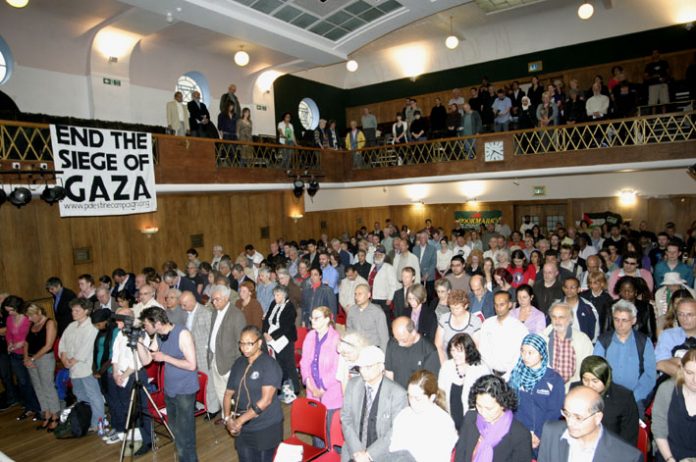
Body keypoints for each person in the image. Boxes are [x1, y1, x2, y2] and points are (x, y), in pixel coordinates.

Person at [137, 306, 198, 462]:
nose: (145, 327)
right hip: (170, 390)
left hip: (185, 390)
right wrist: (138, 342)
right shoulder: (158, 336)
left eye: (146, 324)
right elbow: (146, 360)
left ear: (157, 323)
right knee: (176, 431)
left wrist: (165, 357)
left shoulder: (182, 334)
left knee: (185, 434)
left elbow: (192, 365)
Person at [223, 325, 283, 462]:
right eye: (242, 343)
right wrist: (228, 419)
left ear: (260, 343)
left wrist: (239, 421)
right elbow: (228, 394)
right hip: (243, 428)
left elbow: (266, 400)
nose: (245, 347)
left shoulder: (269, 365)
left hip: (266, 427)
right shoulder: (238, 363)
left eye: (249, 343)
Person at [537, 386, 642, 462]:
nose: (570, 422)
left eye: (578, 417)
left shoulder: (626, 457)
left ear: (597, 418)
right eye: (567, 414)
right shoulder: (551, 432)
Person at [340, 345, 408, 462]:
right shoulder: (352, 385)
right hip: (354, 452)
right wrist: (358, 452)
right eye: (361, 367)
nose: (363, 371)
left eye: (368, 367)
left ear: (381, 367)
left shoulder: (398, 394)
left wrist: (369, 454)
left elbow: (395, 431)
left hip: (382, 455)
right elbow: (346, 418)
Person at [593, 299, 656, 413]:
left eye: (624, 320)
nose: (619, 324)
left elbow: (650, 375)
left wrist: (633, 397)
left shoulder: (644, 342)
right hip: (608, 399)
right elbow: (597, 373)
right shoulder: (603, 341)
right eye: (616, 319)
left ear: (633, 320)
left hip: (635, 400)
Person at [454, 374, 532, 462]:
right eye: (479, 406)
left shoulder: (520, 435)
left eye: (489, 408)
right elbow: (460, 456)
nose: (482, 413)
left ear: (503, 404)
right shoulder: (470, 418)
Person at [509, 333, 565, 455]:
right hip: (519, 433)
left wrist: (538, 434)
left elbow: (554, 412)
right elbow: (511, 407)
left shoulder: (554, 379)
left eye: (530, 352)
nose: (525, 356)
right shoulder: (516, 375)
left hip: (543, 436)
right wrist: (521, 432)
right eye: (523, 351)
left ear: (541, 354)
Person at [108, 307, 153, 450]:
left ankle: (147, 440)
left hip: (135, 375)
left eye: (120, 321)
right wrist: (115, 373)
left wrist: (123, 375)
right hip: (120, 375)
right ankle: (134, 437)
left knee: (141, 410)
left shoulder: (141, 333)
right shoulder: (120, 333)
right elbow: (115, 354)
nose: (117, 324)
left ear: (128, 319)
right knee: (127, 409)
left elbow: (138, 361)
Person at [389, 370, 458, 462]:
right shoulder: (403, 416)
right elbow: (394, 450)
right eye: (409, 396)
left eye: (417, 398)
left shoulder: (444, 422)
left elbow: (442, 458)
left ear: (432, 397)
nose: (412, 402)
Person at [571, 355, 639, 445]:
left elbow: (629, 438)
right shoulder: (576, 391)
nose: (589, 385)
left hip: (612, 449)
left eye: (595, 381)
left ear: (606, 379)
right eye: (585, 380)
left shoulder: (624, 398)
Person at [58, 298, 104, 431]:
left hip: (86, 367)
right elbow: (63, 343)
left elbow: (86, 347)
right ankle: (86, 419)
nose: (74, 313)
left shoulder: (91, 326)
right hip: (73, 368)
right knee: (79, 394)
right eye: (72, 310)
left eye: (77, 310)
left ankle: (98, 422)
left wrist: (71, 361)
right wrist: (64, 359)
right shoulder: (71, 326)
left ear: (86, 311)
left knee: (93, 395)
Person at [300, 306, 342, 444]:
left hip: (331, 393)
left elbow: (337, 369)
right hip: (313, 393)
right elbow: (304, 362)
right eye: (312, 318)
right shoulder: (310, 336)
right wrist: (310, 385)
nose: (312, 321)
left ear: (327, 320)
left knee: (331, 435)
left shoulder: (336, 339)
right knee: (317, 434)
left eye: (317, 318)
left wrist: (322, 388)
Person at [438, 333, 490, 431]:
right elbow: (441, 395)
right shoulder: (446, 367)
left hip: (474, 424)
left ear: (469, 351)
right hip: (451, 424)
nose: (455, 355)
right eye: (453, 350)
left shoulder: (481, 370)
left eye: (459, 351)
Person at [652, 348, 696, 462]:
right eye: (689, 373)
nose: (694, 380)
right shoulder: (667, 389)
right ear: (681, 369)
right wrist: (670, 459)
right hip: (669, 455)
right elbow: (659, 430)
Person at [23, 304, 60, 432]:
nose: (30, 319)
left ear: (39, 312)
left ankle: (55, 415)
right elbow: (26, 342)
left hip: (44, 359)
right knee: (38, 388)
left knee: (48, 386)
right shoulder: (32, 325)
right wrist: (26, 358)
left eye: (31, 315)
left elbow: (48, 345)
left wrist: (33, 359)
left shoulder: (50, 323)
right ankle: (47, 413)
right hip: (31, 360)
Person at [542, 301, 594, 390]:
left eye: (561, 317)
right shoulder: (542, 338)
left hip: (572, 390)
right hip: (546, 390)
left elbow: (588, 370)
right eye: (554, 317)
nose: (557, 321)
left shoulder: (582, 340)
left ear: (570, 319)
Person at [479, 291, 529, 380]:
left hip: (511, 376)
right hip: (488, 373)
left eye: (502, 304)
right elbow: (483, 350)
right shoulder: (487, 324)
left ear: (510, 304)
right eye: (496, 304)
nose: (498, 308)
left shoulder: (519, 328)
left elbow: (520, 355)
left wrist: (508, 376)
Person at [262, 285, 299, 404]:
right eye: (275, 295)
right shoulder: (274, 303)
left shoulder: (290, 307)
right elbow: (267, 318)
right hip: (272, 337)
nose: (275, 297)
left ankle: (295, 389)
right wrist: (265, 332)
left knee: (288, 363)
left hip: (285, 338)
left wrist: (272, 336)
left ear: (284, 295)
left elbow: (286, 327)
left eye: (278, 295)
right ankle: (282, 388)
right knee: (278, 363)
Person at [385, 316, 440, 389]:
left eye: (403, 340)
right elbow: (389, 373)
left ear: (413, 332)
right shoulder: (392, 343)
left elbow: (429, 384)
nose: (399, 344)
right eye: (396, 339)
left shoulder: (429, 351)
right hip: (396, 394)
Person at [433, 289, 482, 364]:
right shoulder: (444, 318)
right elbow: (438, 345)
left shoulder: (475, 321)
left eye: (458, 308)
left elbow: (477, 346)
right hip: (447, 360)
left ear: (466, 306)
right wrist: (444, 364)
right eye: (451, 308)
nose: (454, 311)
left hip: (468, 361)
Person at [656, 298, 696, 375]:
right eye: (680, 314)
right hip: (671, 381)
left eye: (689, 314)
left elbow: (664, 364)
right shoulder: (668, 335)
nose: (684, 318)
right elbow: (660, 364)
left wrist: (676, 361)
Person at [346, 283, 389, 352]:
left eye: (360, 294)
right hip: (355, 349)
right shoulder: (352, 310)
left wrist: (383, 356)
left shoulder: (377, 313)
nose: (356, 297)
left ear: (368, 295)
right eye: (355, 294)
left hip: (372, 350)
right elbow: (349, 331)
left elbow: (384, 338)